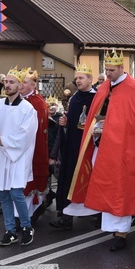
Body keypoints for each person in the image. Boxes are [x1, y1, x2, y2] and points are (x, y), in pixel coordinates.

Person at [66, 50, 135, 251]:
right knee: (106, 184)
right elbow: (96, 114)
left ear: (122, 68)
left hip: (125, 150)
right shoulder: (105, 87)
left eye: (112, 70)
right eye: (106, 70)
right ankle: (110, 225)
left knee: (121, 187)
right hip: (103, 146)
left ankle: (121, 233)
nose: (108, 74)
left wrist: (112, 127)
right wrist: (95, 128)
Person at [0, 67, 38, 247]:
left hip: (16, 156)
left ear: (19, 85)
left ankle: (26, 227)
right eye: (6, 82)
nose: (8, 85)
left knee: (16, 193)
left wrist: (4, 141)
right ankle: (10, 230)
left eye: (12, 82)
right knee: (3, 194)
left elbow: (26, 135)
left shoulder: (27, 109)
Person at [50, 64, 96, 230]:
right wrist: (64, 122)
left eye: (81, 78)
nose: (78, 81)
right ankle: (66, 217)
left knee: (90, 180)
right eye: (76, 78)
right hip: (72, 147)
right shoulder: (74, 98)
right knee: (69, 179)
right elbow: (70, 119)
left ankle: (96, 213)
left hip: (89, 146)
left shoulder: (97, 98)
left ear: (90, 79)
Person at [17, 68, 51, 225]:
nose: (21, 85)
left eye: (24, 82)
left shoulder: (37, 102)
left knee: (30, 183)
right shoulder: (15, 99)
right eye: (20, 82)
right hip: (16, 149)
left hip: (32, 148)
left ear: (33, 84)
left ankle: (30, 212)